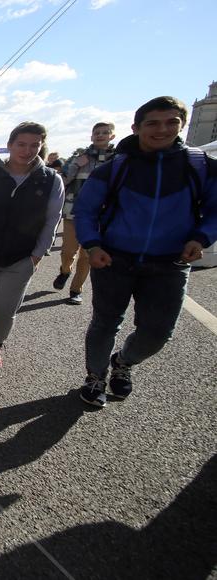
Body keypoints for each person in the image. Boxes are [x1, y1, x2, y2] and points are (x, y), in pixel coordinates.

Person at [74, 96, 217, 408]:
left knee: (158, 333)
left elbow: (215, 210)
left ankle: (123, 361)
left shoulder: (201, 167)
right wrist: (93, 244)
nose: (162, 129)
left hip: (170, 264)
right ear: (136, 128)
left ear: (182, 125)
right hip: (113, 260)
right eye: (152, 123)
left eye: (171, 122)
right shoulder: (115, 168)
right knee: (104, 322)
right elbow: (85, 211)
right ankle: (95, 376)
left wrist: (202, 237)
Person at [0, 122, 64, 369]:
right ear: (10, 145)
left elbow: (52, 220)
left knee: (6, 308)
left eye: (35, 145)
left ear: (42, 147)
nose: (27, 150)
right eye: (21, 144)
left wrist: (37, 255)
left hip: (22, 258)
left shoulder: (51, 180)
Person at [53, 122, 116, 305]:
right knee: (68, 251)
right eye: (97, 132)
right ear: (91, 136)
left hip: (101, 215)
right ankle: (65, 271)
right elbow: (62, 181)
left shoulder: (117, 159)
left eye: (105, 132)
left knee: (87, 255)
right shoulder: (80, 157)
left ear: (112, 136)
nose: (100, 135)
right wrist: (76, 166)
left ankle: (76, 290)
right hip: (75, 212)